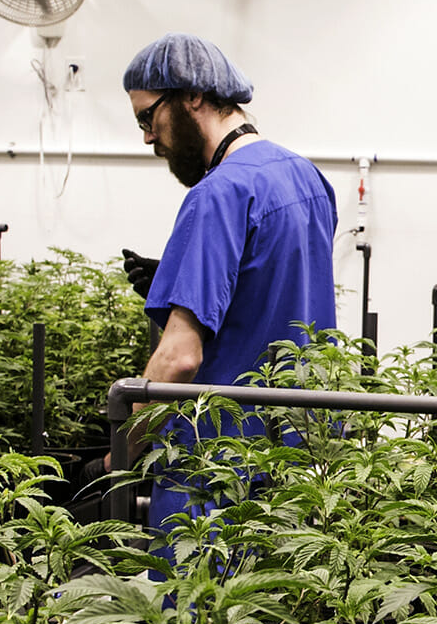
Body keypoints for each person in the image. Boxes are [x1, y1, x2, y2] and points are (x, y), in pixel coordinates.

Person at [122, 32, 338, 528]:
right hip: (301, 459)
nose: (148, 137)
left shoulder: (217, 193)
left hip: (219, 468)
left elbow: (179, 358)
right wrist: (179, 280)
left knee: (204, 604)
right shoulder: (307, 179)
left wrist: (122, 446)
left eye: (147, 117)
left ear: (191, 97)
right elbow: (279, 294)